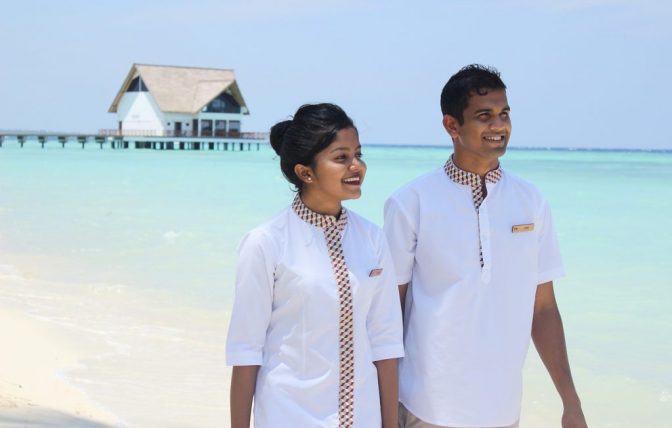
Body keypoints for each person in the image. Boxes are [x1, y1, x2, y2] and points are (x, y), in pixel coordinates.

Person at [384, 65, 588, 428]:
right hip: (426, 407)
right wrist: (382, 410)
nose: (499, 125)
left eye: (504, 114)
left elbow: (543, 309)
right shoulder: (411, 203)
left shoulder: (531, 201)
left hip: (503, 410)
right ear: (452, 125)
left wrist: (570, 400)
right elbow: (388, 313)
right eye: (484, 116)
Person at [226, 103, 404, 428]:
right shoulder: (265, 243)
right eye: (341, 157)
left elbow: (386, 342)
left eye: (358, 154)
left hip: (362, 418)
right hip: (288, 416)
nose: (357, 166)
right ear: (305, 172)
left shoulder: (372, 238)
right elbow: (246, 351)